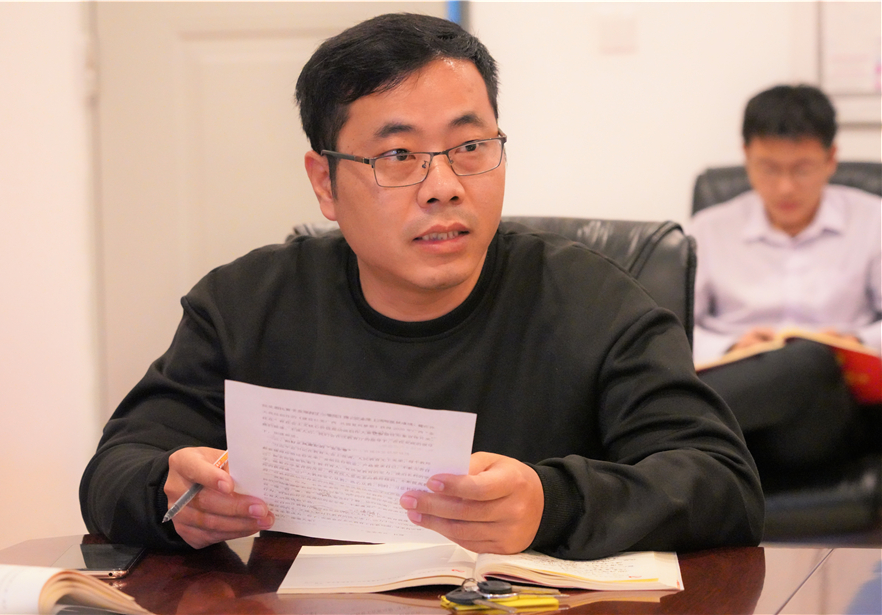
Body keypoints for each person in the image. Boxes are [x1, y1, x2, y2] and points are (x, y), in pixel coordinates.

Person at [80, 13, 763, 559]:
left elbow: (722, 482)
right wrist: (171, 494)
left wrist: (552, 502)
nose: (444, 187)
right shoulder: (247, 305)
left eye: (471, 147)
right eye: (399, 155)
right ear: (325, 183)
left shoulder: (595, 301)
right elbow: (115, 469)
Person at [690, 84, 881, 471]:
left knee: (810, 360)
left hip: (827, 414)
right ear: (746, 157)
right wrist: (729, 346)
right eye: (769, 168)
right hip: (741, 404)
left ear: (831, 159)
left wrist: (857, 341)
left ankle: (672, 427)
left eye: (802, 169)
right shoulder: (708, 229)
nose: (785, 187)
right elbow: (673, 328)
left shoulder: (873, 220)